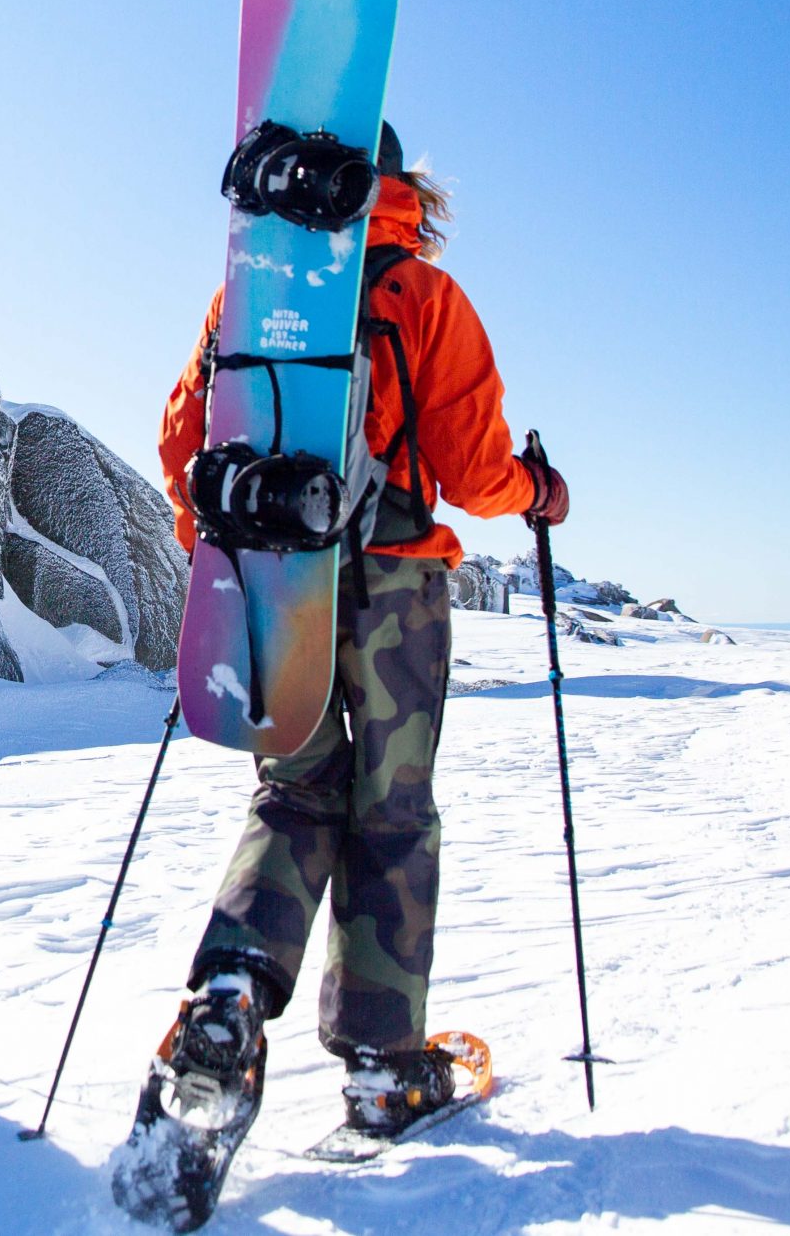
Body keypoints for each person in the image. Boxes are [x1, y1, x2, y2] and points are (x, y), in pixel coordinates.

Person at [151, 122, 570, 1136]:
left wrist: (234, 556)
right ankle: (383, 1065)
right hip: (394, 592)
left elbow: (182, 445)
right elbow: (472, 471)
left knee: (294, 793)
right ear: (401, 189)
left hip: (274, 579)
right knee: (391, 812)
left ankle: (231, 999)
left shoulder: (249, 298)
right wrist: (538, 493)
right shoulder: (423, 295)